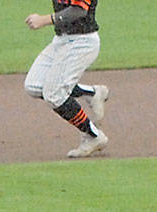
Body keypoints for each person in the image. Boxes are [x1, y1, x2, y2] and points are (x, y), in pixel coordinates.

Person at [23, 2, 110, 159]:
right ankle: (92, 93)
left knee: (54, 94)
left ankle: (94, 136)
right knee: (34, 85)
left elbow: (78, 11)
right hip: (61, 40)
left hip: (83, 42)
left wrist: (43, 20)